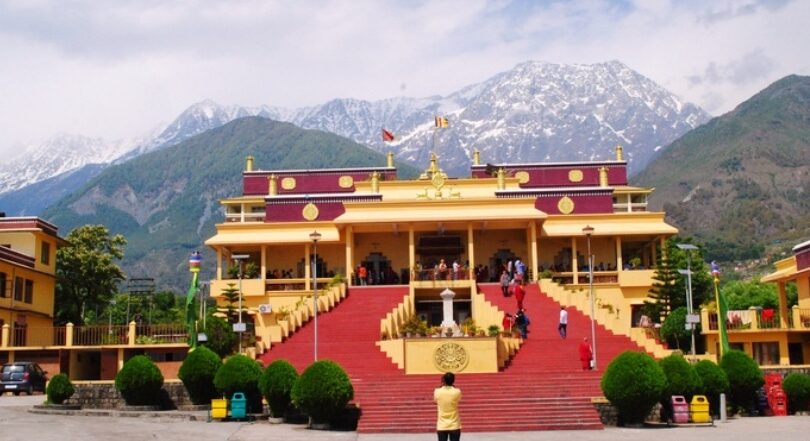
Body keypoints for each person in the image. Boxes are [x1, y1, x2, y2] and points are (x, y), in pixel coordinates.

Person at [434, 372, 462, 441]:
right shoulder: (457, 391)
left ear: (444, 380)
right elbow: (458, 400)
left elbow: (435, 400)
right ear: (453, 380)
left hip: (442, 425)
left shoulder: (437, 391)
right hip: (454, 424)